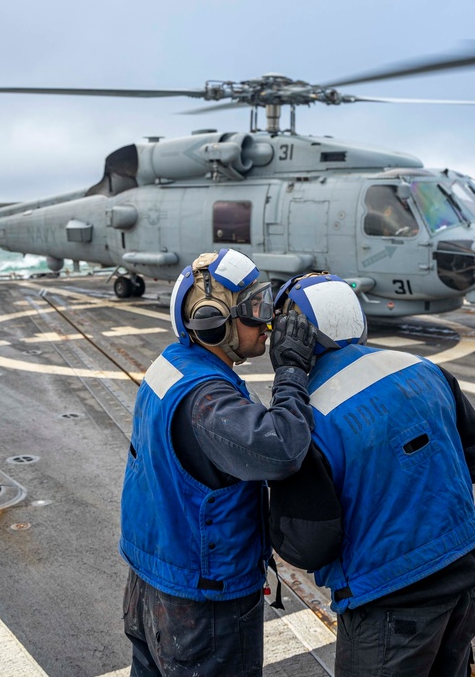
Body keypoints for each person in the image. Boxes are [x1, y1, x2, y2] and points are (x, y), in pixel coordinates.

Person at [268, 272, 475, 677]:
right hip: (470, 574)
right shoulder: (424, 369)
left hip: (392, 601)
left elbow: (307, 545)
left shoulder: (305, 420)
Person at [119, 249, 318, 677]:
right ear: (213, 323)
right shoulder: (208, 401)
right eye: (254, 311)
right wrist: (292, 373)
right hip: (202, 605)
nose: (267, 322)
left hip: (152, 581)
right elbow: (283, 450)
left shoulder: (173, 364)